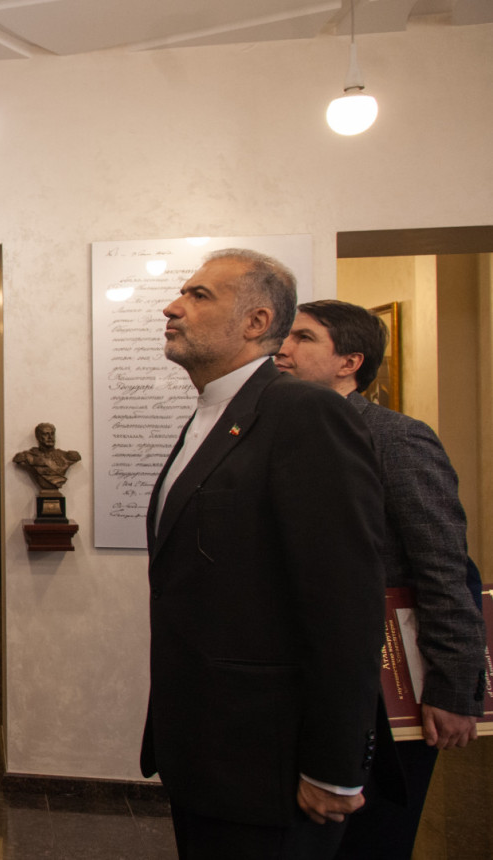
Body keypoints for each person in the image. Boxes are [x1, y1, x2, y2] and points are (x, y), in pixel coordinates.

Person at [143, 249, 388, 858]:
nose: (173, 307)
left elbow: (345, 603)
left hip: (267, 763)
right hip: (205, 749)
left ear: (255, 322)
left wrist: (335, 765)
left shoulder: (305, 414)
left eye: (200, 296)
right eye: (182, 293)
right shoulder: (214, 413)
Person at [276, 299, 485, 859]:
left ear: (350, 361)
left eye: (303, 338)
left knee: (372, 840)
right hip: (311, 682)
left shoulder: (395, 439)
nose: (282, 349)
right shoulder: (283, 431)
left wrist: (452, 686)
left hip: (389, 688)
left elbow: (444, 566)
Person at [11, 422, 81, 491]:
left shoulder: (67, 456)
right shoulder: (28, 457)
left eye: (52, 434)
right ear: (38, 437)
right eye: (46, 434)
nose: (50, 437)